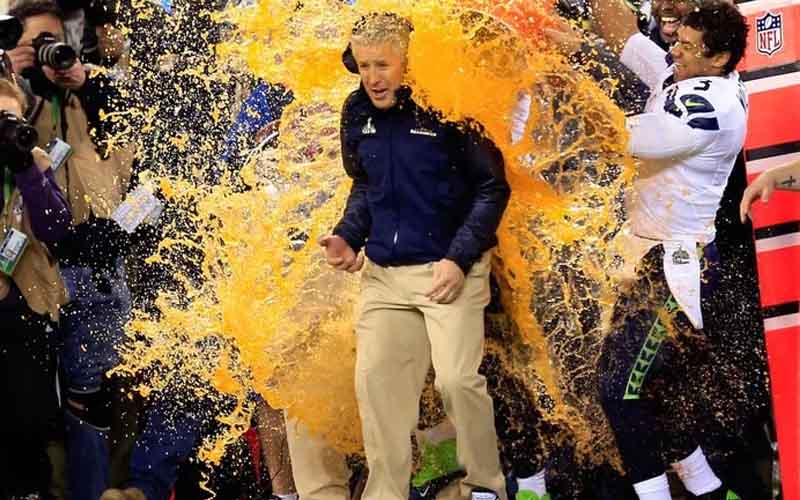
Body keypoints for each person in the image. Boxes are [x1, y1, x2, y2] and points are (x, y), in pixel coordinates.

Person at [320, 12, 511, 500]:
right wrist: (348, 236)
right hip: (384, 276)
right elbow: (366, 184)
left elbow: (493, 187)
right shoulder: (355, 111)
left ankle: (485, 486)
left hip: (450, 269)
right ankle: (386, 493)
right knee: (376, 388)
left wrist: (458, 257)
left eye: (382, 65)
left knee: (455, 381)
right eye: (363, 66)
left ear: (408, 62)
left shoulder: (447, 107)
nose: (372, 78)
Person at [579, 2, 750, 499]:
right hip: (655, 255)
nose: (673, 50)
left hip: (676, 266)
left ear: (718, 59)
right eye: (676, 39)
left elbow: (621, 135)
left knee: (618, 392)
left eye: (686, 45)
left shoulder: (708, 106)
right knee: (659, 392)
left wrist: (566, 84)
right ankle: (709, 490)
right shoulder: (695, 75)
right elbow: (638, 49)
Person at [7, 1, 135, 498]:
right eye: (35, 44)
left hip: (104, 272)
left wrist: (120, 230)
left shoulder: (94, 96)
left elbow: (147, 179)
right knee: (34, 415)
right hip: (34, 281)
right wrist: (19, 86)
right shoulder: (13, 107)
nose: (48, 54)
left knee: (96, 402)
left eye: (53, 42)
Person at [0, 63, 72, 499]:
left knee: (27, 442)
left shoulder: (34, 160)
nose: (4, 129)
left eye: (11, 118)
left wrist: (27, 168)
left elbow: (56, 228)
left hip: (24, 320)